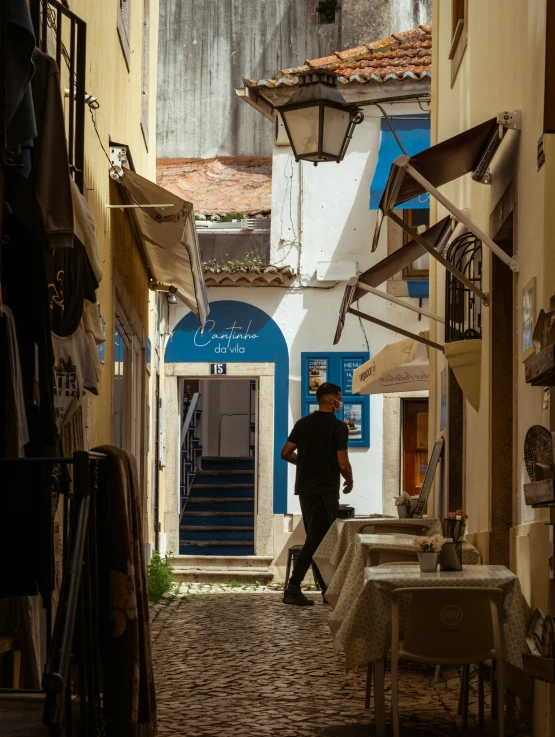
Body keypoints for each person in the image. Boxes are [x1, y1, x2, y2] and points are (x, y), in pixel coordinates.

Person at [280, 382, 353, 606]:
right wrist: (350, 479)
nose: (340, 403)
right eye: (339, 399)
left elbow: (285, 453)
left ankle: (326, 590)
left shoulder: (303, 424)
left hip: (305, 490)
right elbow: (342, 462)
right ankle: (293, 587)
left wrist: (305, 463)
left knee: (318, 539)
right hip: (325, 491)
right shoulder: (338, 428)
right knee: (315, 540)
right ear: (331, 400)